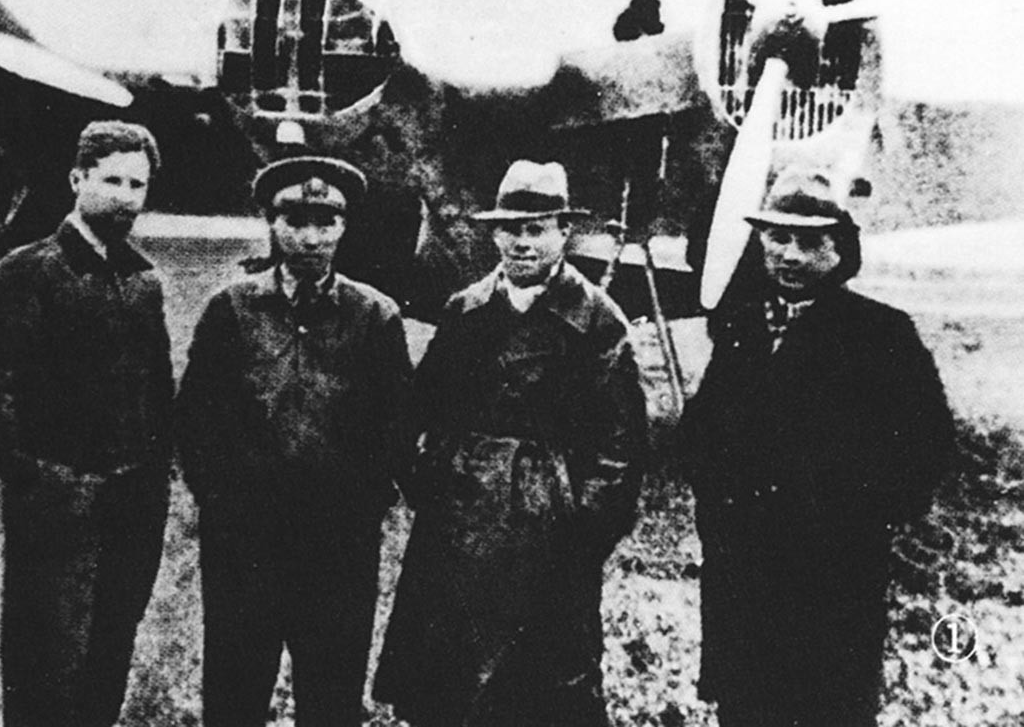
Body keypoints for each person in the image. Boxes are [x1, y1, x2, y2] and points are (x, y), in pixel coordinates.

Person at [374, 159, 647, 727]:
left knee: (542, 688)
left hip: (549, 534)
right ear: (493, 232)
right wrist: (435, 484)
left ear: (563, 233)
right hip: (458, 529)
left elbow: (619, 451)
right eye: (510, 228)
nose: (522, 243)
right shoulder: (466, 310)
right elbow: (416, 411)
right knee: (447, 685)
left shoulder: (598, 321)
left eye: (537, 228)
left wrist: (577, 525)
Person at [680, 170, 955, 727]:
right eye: (777, 238)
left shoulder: (881, 336)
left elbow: (927, 450)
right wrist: (723, 508)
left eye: (810, 242)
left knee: (829, 706)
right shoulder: (743, 328)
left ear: (840, 250)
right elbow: (700, 435)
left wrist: (856, 516)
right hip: (745, 576)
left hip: (833, 579)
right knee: (745, 709)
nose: (790, 255)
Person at [174, 153, 413, 727]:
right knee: (235, 690)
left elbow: (397, 429)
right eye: (294, 221)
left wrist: (359, 509)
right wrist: (224, 502)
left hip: (337, 549)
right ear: (271, 224)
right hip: (245, 544)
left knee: (330, 697)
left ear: (344, 227)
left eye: (325, 222)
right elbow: (195, 419)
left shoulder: (374, 317)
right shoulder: (231, 309)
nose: (309, 237)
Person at [0, 120, 174, 727]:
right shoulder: (25, 272)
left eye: (138, 184)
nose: (126, 195)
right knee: (44, 662)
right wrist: (37, 480)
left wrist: (154, 481)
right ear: (77, 179)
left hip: (133, 504)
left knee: (110, 651)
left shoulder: (143, 280)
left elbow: (157, 392)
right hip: (56, 505)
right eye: (112, 180)